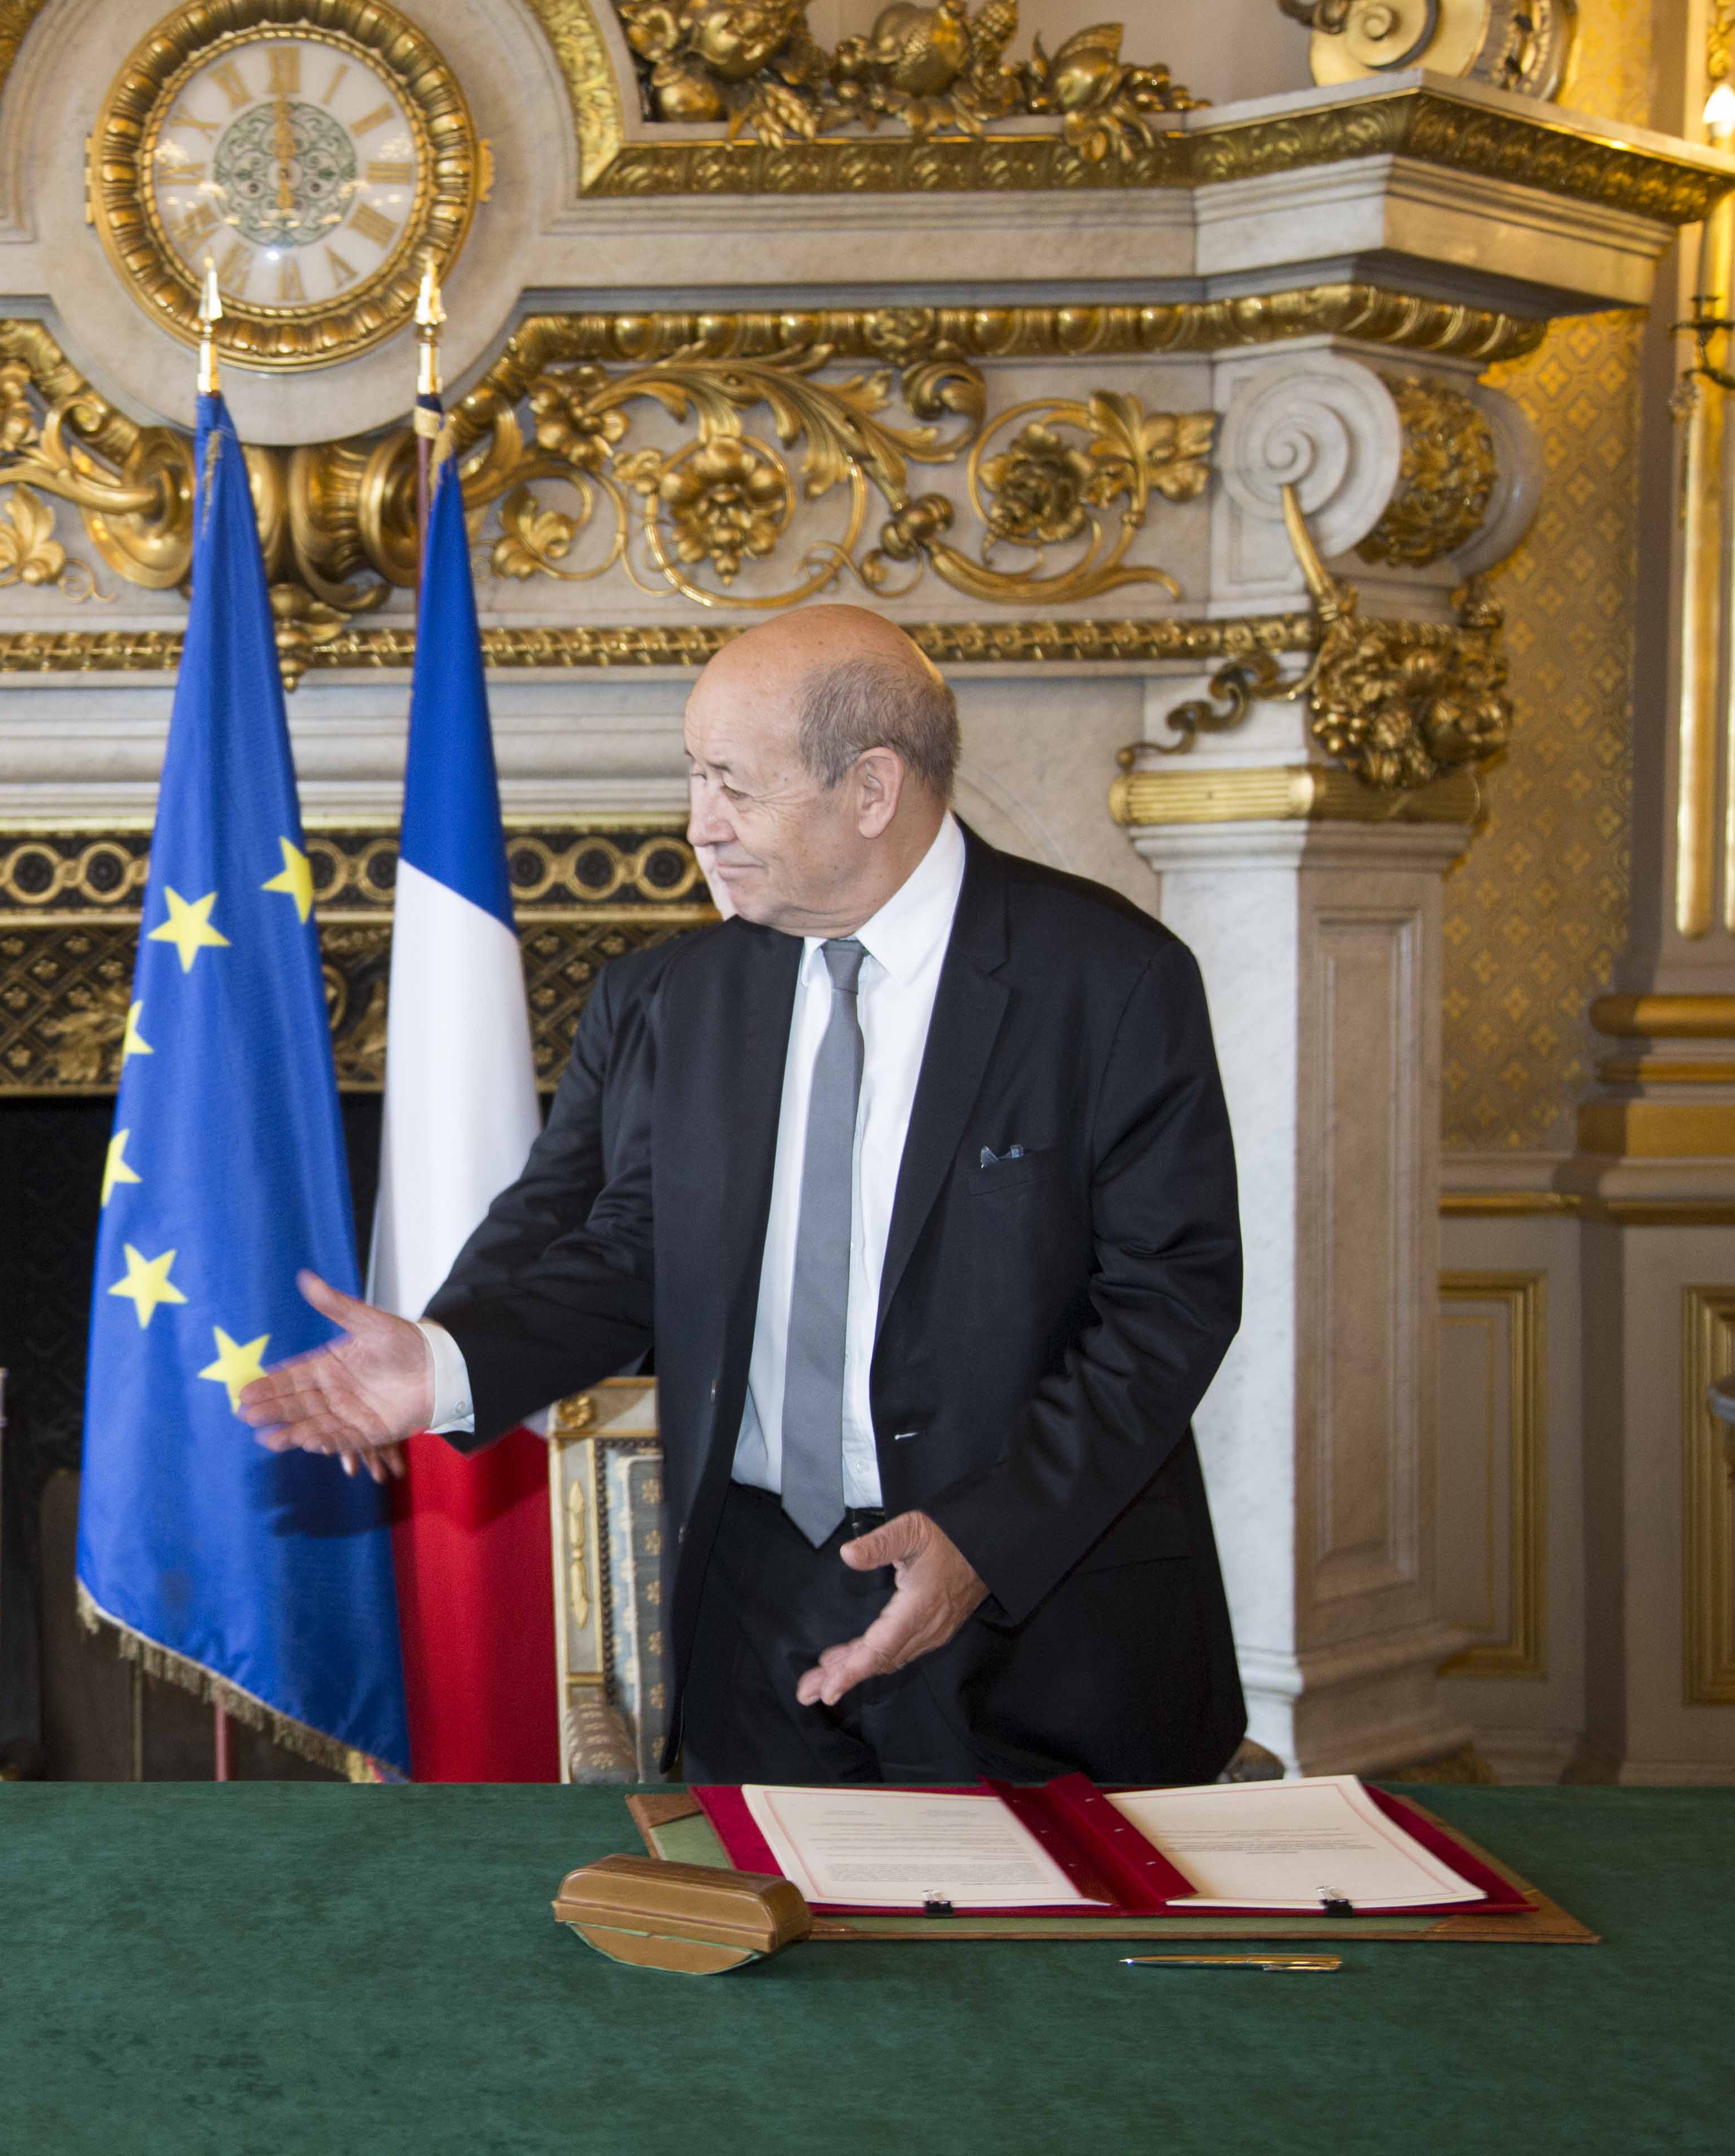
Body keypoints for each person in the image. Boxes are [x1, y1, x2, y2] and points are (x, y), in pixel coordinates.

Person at [239, 606, 1247, 1785]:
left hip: (1040, 1607)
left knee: (1039, 1971)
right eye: (693, 776)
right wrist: (446, 1362)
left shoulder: (1110, 980)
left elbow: (1168, 1303)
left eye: (734, 787)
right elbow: (622, 1251)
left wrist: (988, 1538)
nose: (697, 826)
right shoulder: (673, 998)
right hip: (758, 1615)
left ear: (872, 788)